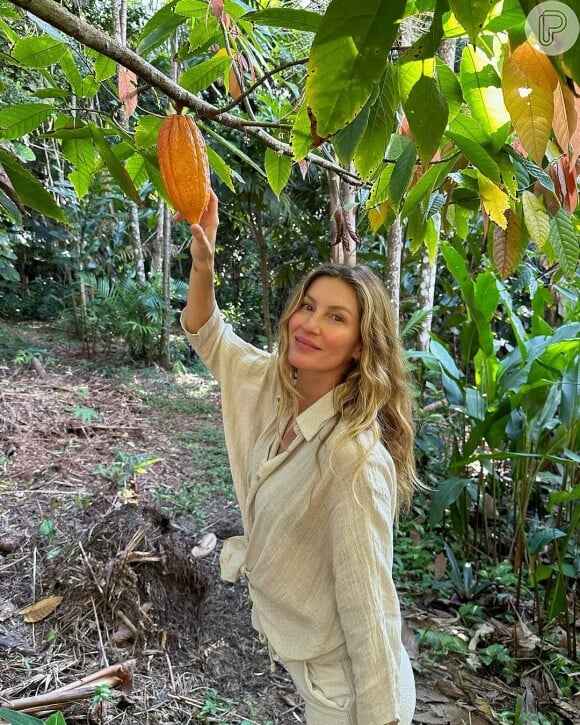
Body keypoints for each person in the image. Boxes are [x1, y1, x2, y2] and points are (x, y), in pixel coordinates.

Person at [180, 190, 418, 725]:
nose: (309, 324)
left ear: (361, 343)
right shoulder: (275, 386)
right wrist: (203, 261)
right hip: (310, 667)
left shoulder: (351, 459)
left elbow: (372, 612)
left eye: (336, 317)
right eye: (307, 307)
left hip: (347, 694)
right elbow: (209, 336)